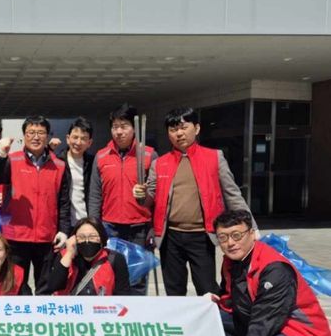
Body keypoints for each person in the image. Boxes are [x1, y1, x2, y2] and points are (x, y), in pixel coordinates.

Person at [212, 210, 330, 336]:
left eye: (236, 235)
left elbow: (264, 322)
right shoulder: (232, 261)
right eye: (223, 237)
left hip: (295, 329)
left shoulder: (274, 269)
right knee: (211, 319)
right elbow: (230, 295)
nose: (230, 243)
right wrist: (211, 302)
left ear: (252, 234)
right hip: (259, 320)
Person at [135, 107, 255, 296]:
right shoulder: (160, 163)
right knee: (174, 290)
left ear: (197, 128)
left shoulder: (214, 157)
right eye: (173, 129)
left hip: (201, 236)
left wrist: (251, 228)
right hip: (170, 237)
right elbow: (148, 200)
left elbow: (232, 195)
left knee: (207, 289)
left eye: (184, 127)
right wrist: (140, 195)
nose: (179, 133)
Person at [0, 115, 71, 293]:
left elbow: (64, 202)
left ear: (48, 136)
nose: (35, 137)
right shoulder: (12, 160)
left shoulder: (59, 165)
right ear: (24, 136)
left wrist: (64, 230)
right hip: (16, 237)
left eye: (40, 133)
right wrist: (1, 154)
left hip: (47, 237)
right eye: (31, 132)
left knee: (45, 287)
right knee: (16, 286)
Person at [89, 105, 157, 295]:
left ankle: (135, 312)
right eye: (115, 127)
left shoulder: (149, 155)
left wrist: (154, 228)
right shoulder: (101, 156)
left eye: (124, 126)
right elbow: (95, 195)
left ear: (134, 128)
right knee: (110, 275)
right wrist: (95, 226)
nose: (119, 131)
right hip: (110, 227)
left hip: (140, 228)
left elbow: (157, 195)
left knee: (137, 279)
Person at [47, 217, 130, 296]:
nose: (87, 241)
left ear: (101, 238)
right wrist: (69, 254)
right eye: (81, 237)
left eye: (92, 237)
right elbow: (54, 286)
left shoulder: (115, 258)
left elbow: (122, 294)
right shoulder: (65, 256)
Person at [54, 117, 95, 226]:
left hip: (87, 223)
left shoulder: (93, 163)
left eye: (83, 139)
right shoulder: (57, 162)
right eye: (75, 137)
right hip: (64, 223)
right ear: (68, 139)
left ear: (89, 143)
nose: (78, 142)